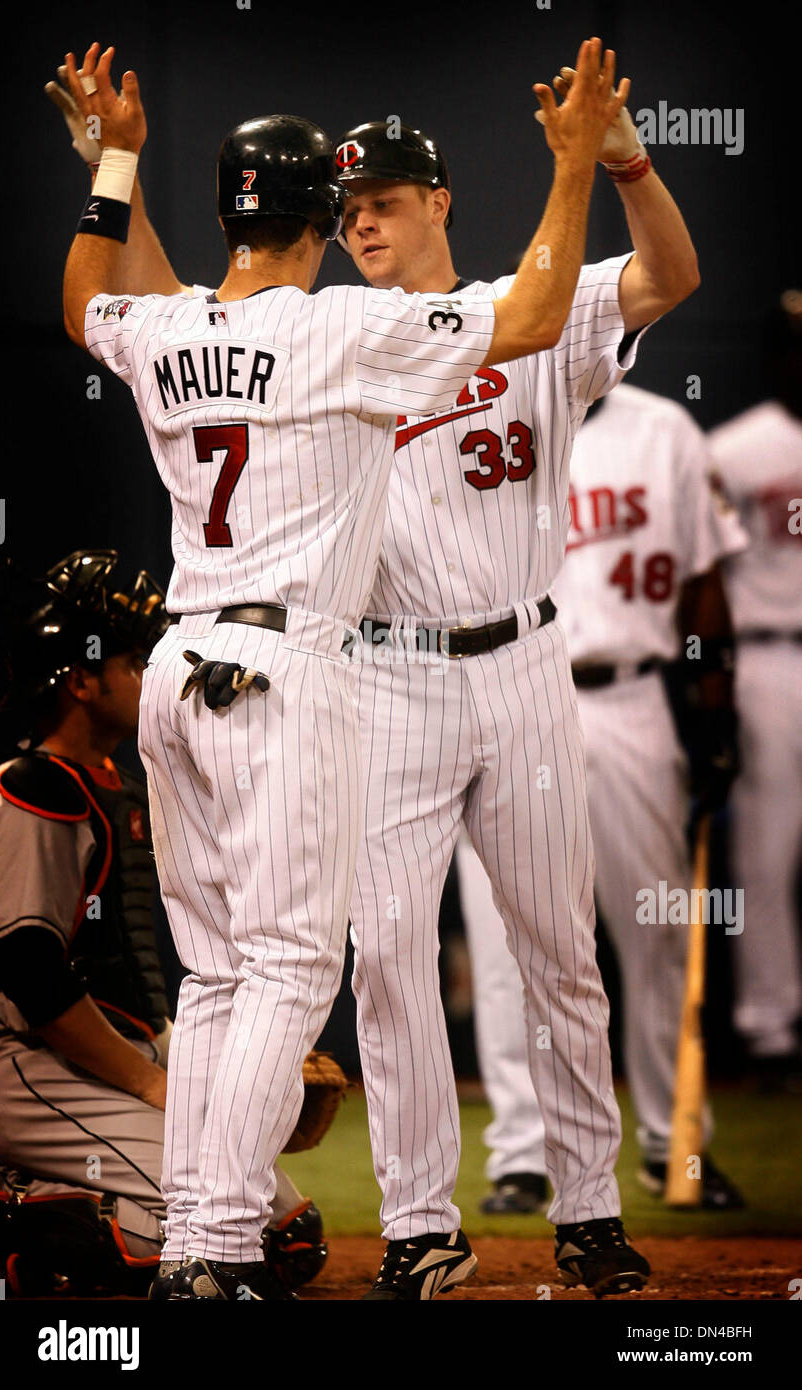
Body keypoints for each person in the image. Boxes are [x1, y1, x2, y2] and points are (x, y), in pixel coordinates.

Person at [60, 38, 629, 1300]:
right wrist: (577, 162)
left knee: (214, 976)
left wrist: (113, 160)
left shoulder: (164, 327)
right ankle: (210, 1245)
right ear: (323, 221)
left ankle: (188, 1239)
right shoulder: (343, 333)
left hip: (175, 667)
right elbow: (533, 311)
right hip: (285, 670)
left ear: (224, 214)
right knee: (289, 971)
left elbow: (85, 295)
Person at [331, 56, 701, 1299]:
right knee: (386, 954)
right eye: (344, 211)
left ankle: (589, 1210)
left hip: (527, 660)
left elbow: (670, 275)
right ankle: (418, 1223)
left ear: (438, 199)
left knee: (559, 951)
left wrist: (623, 162)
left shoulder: (525, 311)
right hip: (386, 680)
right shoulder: (334, 342)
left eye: (381, 197)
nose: (361, 221)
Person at [0, 552, 326, 1295]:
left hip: (87, 1056)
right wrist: (151, 1083)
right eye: (135, 659)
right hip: (12, 1061)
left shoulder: (123, 784)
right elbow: (30, 973)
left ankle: (36, 1182)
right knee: (203, 1239)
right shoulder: (32, 788)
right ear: (80, 680)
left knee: (291, 1239)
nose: (155, 671)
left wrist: (225, 1069)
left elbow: (123, 979)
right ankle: (6, 1211)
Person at [456, 382, 748, 1216]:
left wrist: (715, 713)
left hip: (631, 693)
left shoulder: (668, 430)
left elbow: (705, 580)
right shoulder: (498, 406)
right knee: (505, 932)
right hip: (513, 692)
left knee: (655, 928)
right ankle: (520, 1154)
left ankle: (673, 1141)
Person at [708, 291, 802, 1089]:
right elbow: (707, 574)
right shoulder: (735, 450)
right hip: (771, 656)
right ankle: (769, 1024)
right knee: (768, 848)